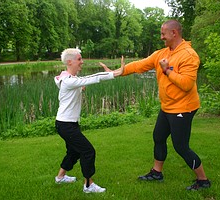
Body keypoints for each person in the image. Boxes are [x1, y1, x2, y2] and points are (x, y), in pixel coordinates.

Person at [103, 19, 211, 190]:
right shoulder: (162, 53)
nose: (161, 37)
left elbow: (187, 84)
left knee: (181, 146)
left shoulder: (189, 55)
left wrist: (167, 71)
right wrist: (117, 72)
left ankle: (203, 180)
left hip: (183, 107)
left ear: (174, 33)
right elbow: (140, 65)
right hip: (167, 107)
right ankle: (156, 173)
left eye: (163, 33)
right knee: (158, 137)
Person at [54, 48, 124, 193]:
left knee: (73, 152)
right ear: (69, 61)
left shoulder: (65, 78)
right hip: (66, 125)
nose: (82, 62)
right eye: (79, 59)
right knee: (88, 151)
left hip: (67, 123)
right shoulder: (68, 80)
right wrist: (113, 73)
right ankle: (88, 185)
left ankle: (60, 177)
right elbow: (93, 78)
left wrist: (80, 87)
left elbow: (69, 81)